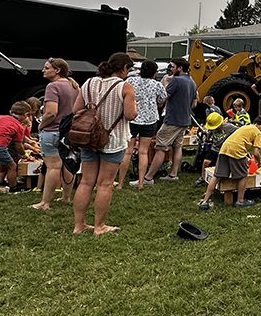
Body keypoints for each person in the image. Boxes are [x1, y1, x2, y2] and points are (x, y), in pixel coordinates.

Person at [71, 52, 137, 236]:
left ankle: (79, 225)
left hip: (88, 138)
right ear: (123, 68)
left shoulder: (89, 83)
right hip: (113, 139)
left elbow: (76, 110)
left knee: (85, 182)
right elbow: (130, 115)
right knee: (105, 184)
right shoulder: (125, 87)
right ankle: (99, 226)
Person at [32, 58, 80, 210]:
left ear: (57, 70)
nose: (43, 70)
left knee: (53, 167)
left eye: (46, 68)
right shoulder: (74, 86)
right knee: (68, 165)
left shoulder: (52, 87)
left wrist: (41, 125)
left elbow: (51, 112)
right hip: (69, 132)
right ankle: (66, 197)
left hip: (53, 131)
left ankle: (45, 202)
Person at [142, 57, 197, 184]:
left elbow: (163, 98)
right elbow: (194, 102)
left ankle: (148, 177)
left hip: (172, 120)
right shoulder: (192, 82)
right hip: (185, 120)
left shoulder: (176, 80)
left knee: (160, 147)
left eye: (172, 67)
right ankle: (173, 174)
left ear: (180, 68)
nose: (170, 69)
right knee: (177, 147)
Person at [197, 116, 261, 209]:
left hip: (224, 149)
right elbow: (256, 152)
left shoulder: (245, 127)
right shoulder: (258, 132)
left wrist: (246, 157)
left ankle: (204, 202)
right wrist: (260, 162)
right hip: (236, 151)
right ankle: (240, 201)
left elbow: (238, 141)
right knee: (243, 176)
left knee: (217, 176)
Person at [120, 60, 168, 189]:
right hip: (150, 120)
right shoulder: (157, 85)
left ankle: (119, 183)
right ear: (154, 72)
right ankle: (141, 182)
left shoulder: (131, 81)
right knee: (143, 152)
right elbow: (162, 99)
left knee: (127, 152)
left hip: (132, 118)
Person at [197, 112, 239, 185]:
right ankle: (203, 177)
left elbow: (240, 131)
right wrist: (207, 138)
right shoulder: (211, 128)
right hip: (214, 148)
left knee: (223, 166)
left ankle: (224, 180)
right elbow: (208, 136)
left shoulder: (229, 127)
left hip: (225, 150)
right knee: (206, 162)